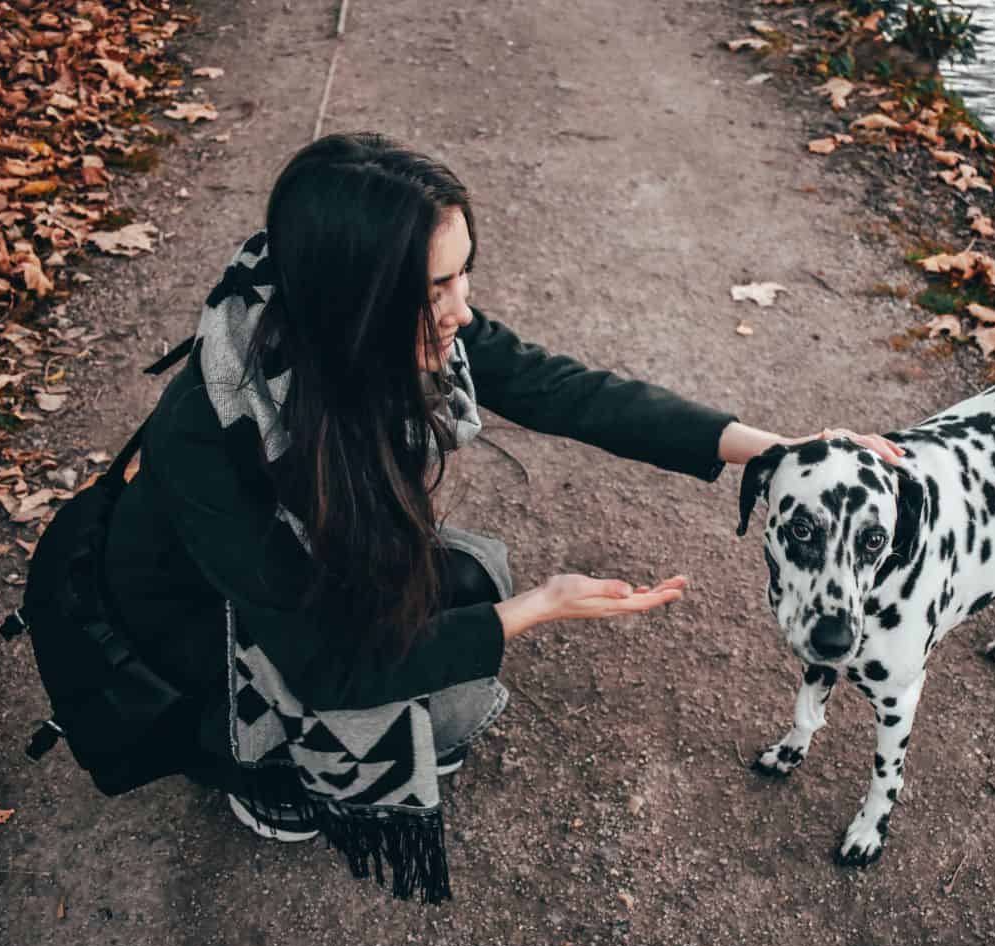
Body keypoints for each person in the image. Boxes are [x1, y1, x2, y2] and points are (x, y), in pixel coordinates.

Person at [99, 132, 901, 902]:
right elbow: (325, 662)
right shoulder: (216, 436)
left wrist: (779, 451)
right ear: (355, 300)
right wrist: (539, 609)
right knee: (436, 686)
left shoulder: (359, 324)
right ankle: (259, 771)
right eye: (436, 291)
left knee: (467, 590)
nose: (462, 311)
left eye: (463, 276)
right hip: (206, 634)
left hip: (297, 575)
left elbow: (564, 389)